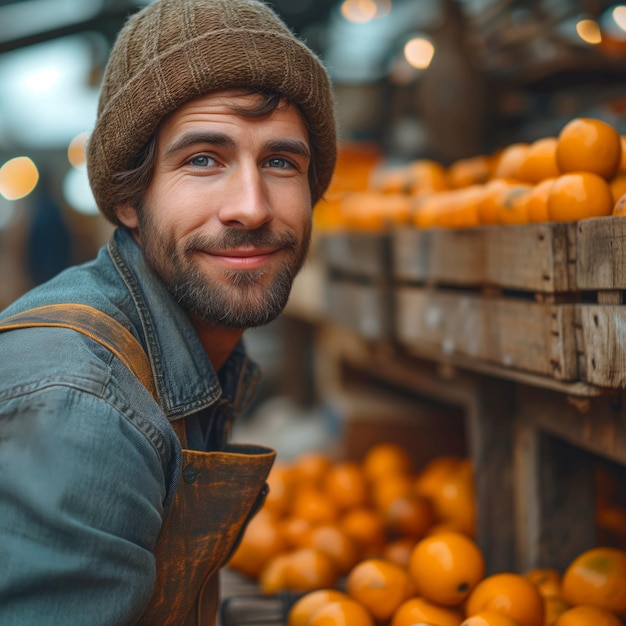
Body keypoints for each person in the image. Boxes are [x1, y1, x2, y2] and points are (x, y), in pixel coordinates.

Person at [0, 0, 337, 624]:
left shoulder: (183, 353)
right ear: (131, 198)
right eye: (203, 159)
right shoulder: (84, 409)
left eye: (281, 161)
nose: (252, 207)